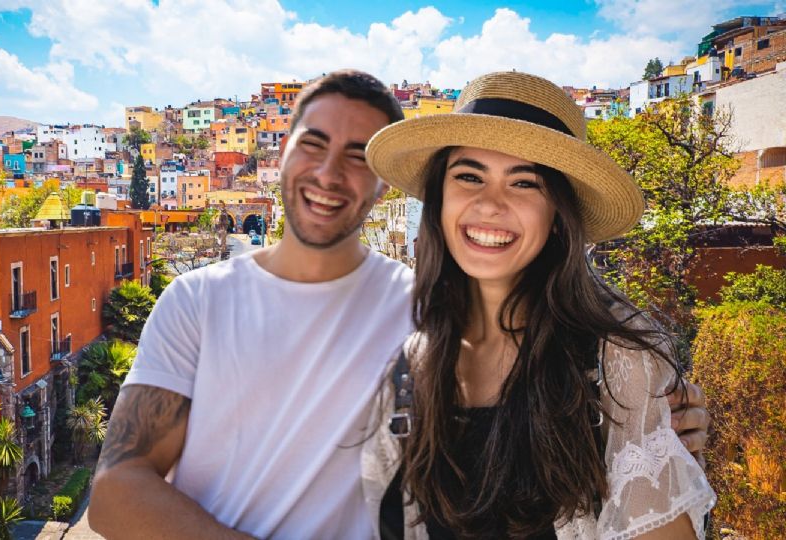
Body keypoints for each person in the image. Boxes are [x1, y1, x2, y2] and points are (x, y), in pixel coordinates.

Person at [88, 70, 710, 539]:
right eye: (312, 143)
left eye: (524, 182)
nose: (331, 173)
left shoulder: (416, 313)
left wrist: (657, 415)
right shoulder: (201, 301)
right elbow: (116, 488)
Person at [365, 71, 716, 539]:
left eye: (524, 183)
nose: (490, 205)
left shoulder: (615, 360)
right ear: (439, 198)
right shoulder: (412, 360)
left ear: (557, 216)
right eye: (469, 176)